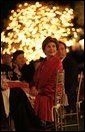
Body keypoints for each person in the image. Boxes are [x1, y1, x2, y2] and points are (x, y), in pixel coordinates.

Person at [29, 36, 63, 127]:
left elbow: (53, 83)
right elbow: (34, 78)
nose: (51, 48)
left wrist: (39, 91)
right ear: (44, 49)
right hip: (40, 91)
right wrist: (33, 87)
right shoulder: (43, 62)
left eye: (53, 46)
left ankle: (40, 123)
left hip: (50, 94)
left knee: (29, 100)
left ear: (56, 48)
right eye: (48, 46)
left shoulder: (57, 62)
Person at [57, 41, 78, 113]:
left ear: (66, 50)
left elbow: (70, 82)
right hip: (60, 90)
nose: (60, 51)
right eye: (58, 49)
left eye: (62, 49)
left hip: (68, 93)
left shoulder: (70, 62)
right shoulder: (56, 63)